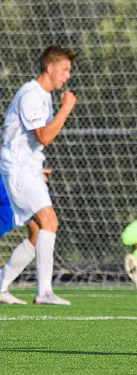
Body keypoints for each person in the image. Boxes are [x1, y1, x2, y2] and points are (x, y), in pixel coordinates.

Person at [0, 46, 78, 305]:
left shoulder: (42, 96)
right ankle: (44, 291)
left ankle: (1, 286)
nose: (67, 75)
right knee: (50, 221)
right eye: (64, 70)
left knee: (37, 234)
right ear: (49, 67)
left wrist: (36, 165)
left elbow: (26, 141)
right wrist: (66, 108)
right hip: (18, 170)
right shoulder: (31, 94)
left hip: (27, 168)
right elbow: (43, 136)